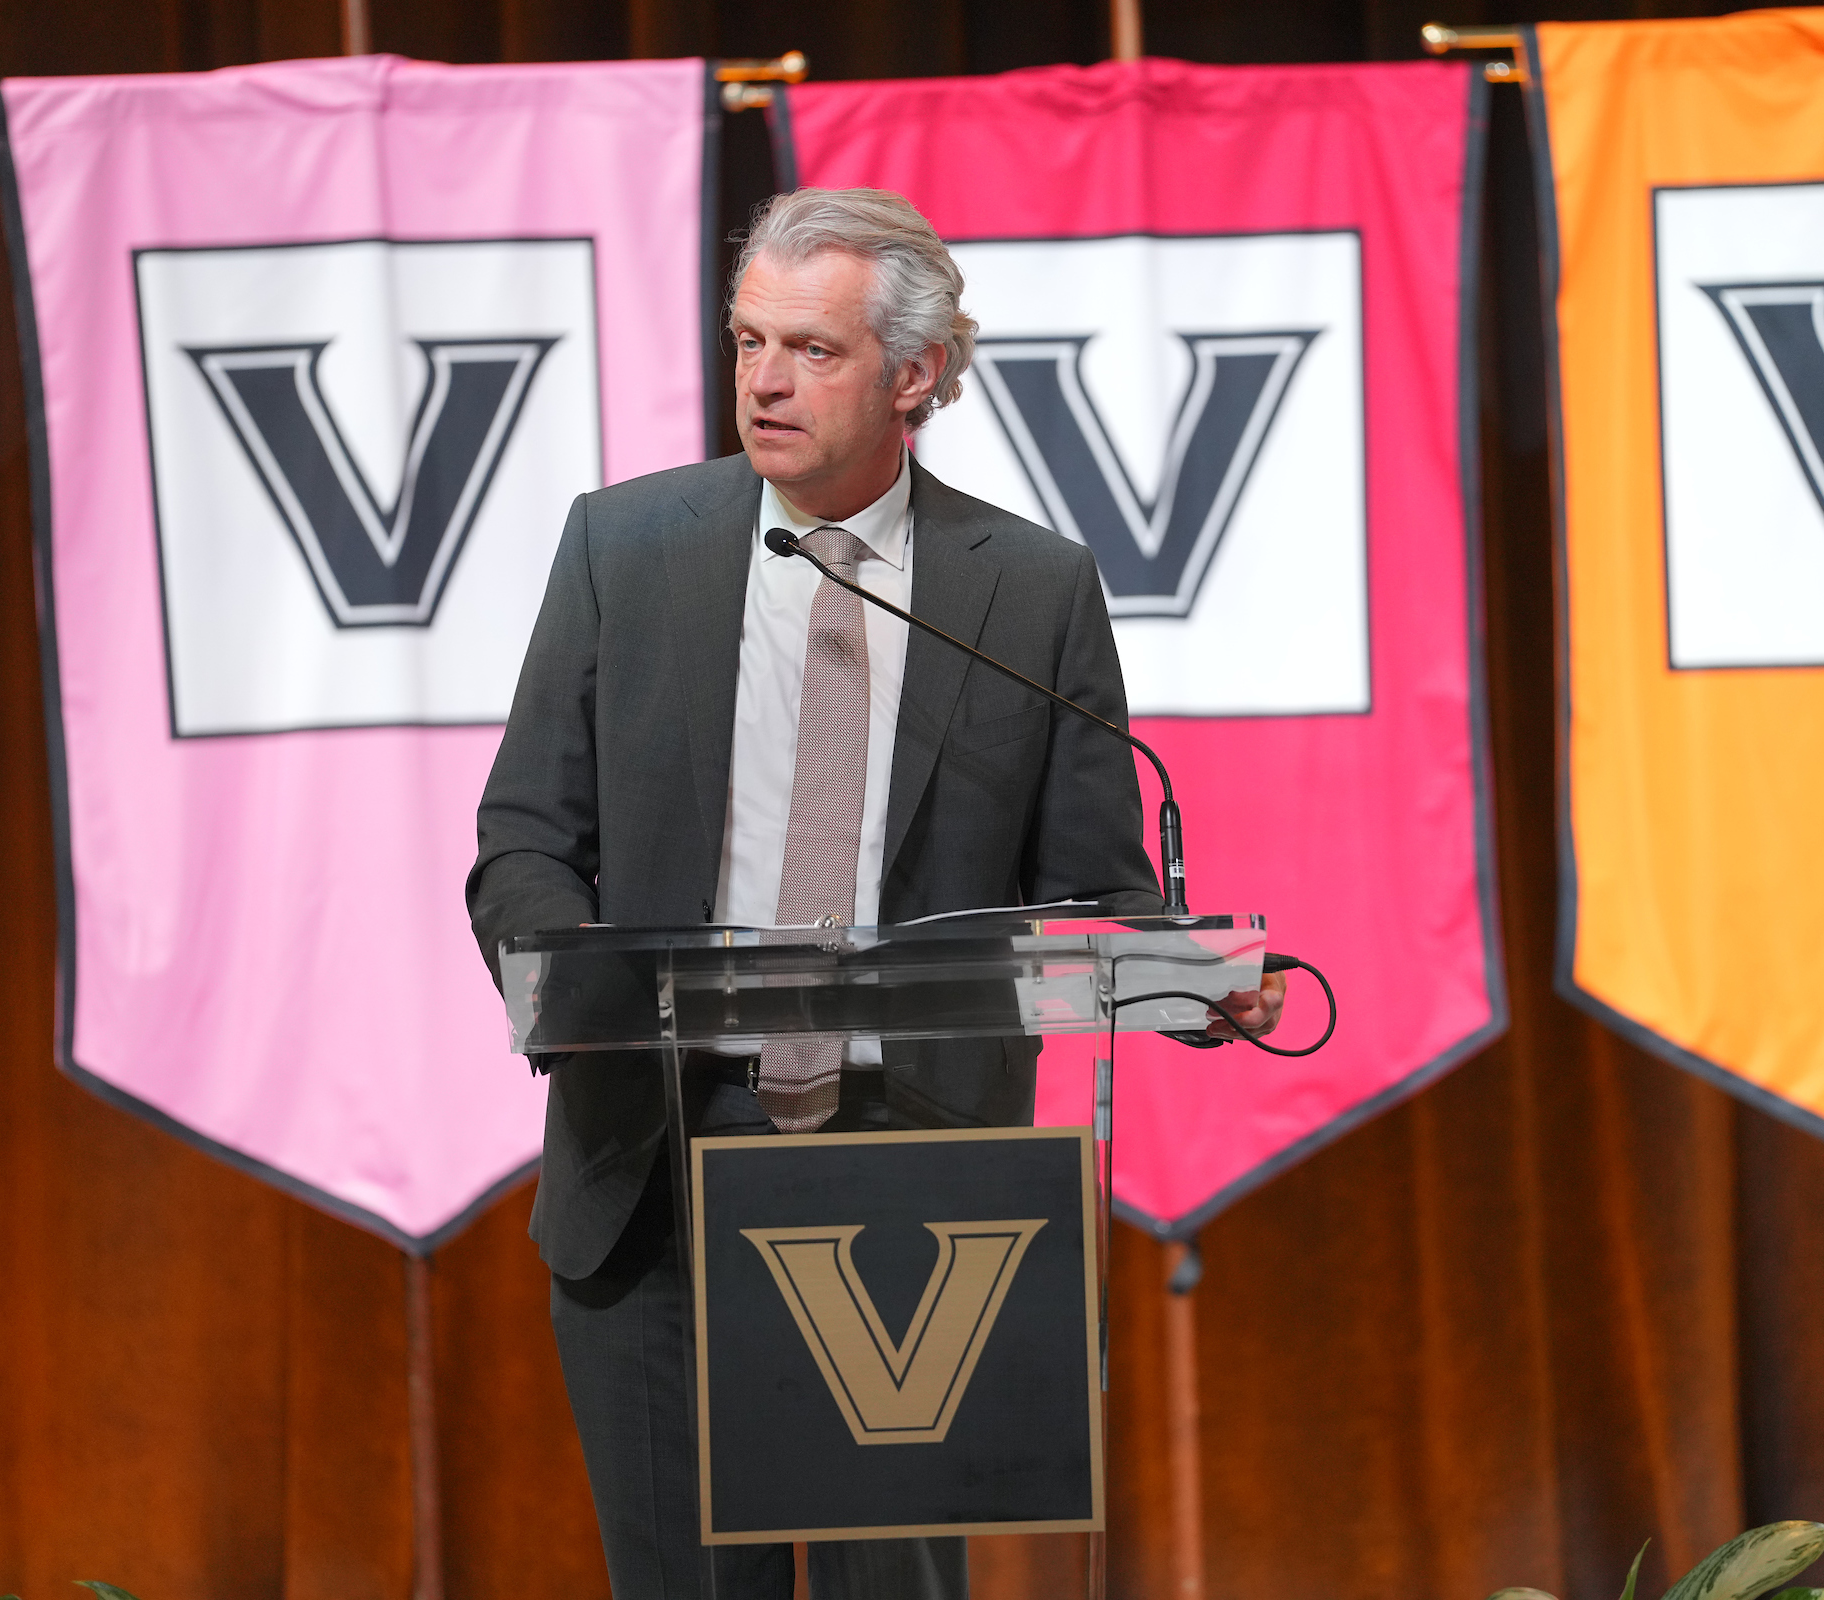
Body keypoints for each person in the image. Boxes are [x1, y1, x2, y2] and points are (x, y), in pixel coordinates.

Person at [468, 186, 1285, 1600]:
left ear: (915, 376)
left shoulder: (1028, 591)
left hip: (911, 1179)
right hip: (654, 1153)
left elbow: (1091, 884)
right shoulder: (626, 547)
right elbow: (526, 833)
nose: (766, 381)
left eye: (811, 350)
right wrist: (569, 985)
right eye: (747, 341)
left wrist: (1193, 982)